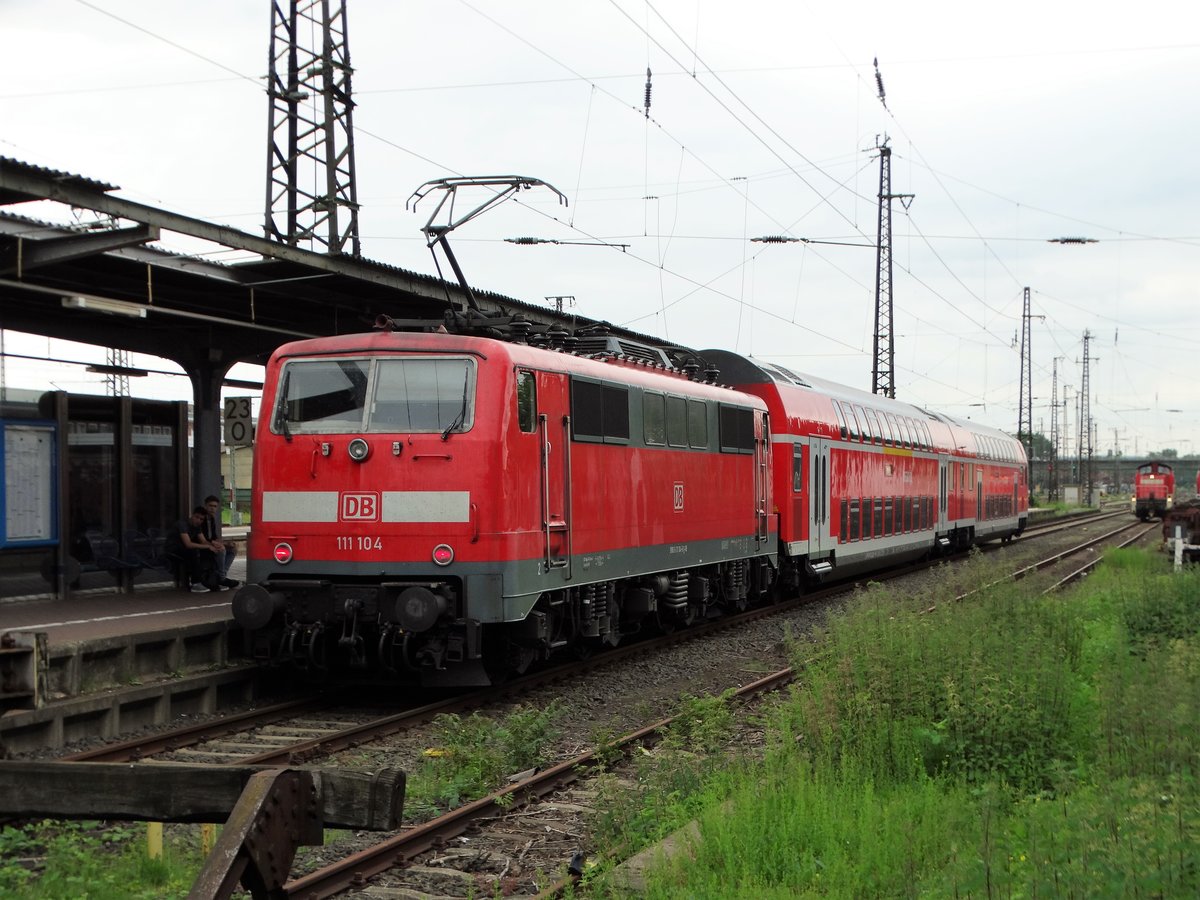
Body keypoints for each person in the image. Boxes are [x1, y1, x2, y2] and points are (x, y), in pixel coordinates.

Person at [166, 507, 225, 593]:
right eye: (196, 517)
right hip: (173, 549)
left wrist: (215, 546)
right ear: (192, 515)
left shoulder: (197, 527)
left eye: (201, 519)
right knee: (194, 551)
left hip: (184, 549)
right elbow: (188, 544)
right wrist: (208, 546)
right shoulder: (182, 524)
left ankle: (213, 579)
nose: (198, 521)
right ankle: (196, 583)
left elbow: (203, 541)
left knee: (209, 552)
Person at [203, 495, 239, 589]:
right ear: (205, 506)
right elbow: (203, 538)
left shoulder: (212, 520)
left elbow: (214, 537)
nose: (212, 508)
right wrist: (219, 544)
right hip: (203, 545)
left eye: (215, 506)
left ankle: (221, 574)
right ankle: (222, 578)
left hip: (211, 543)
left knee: (232, 549)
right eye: (210, 506)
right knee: (221, 549)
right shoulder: (202, 519)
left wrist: (226, 543)